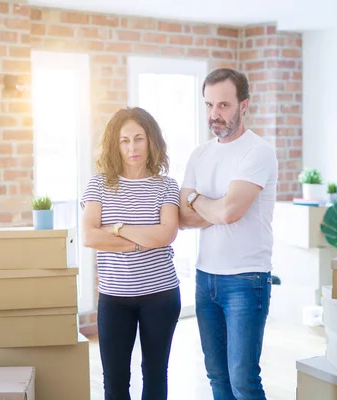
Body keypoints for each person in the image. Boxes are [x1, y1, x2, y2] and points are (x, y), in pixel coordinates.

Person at [179, 68, 278, 400]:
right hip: (206, 279)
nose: (214, 115)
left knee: (243, 380)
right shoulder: (200, 154)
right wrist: (217, 209)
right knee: (217, 376)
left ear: (244, 104)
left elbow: (228, 212)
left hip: (246, 281)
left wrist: (199, 200)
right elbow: (182, 218)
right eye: (208, 105)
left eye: (223, 105)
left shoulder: (257, 151)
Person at [81, 107, 181, 400]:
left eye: (139, 138)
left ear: (151, 141)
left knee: (155, 374)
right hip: (114, 298)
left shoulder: (166, 186)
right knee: (114, 381)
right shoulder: (99, 184)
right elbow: (89, 236)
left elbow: (166, 234)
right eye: (125, 140)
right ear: (116, 144)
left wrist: (116, 228)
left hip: (161, 295)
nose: (132, 147)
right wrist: (142, 241)